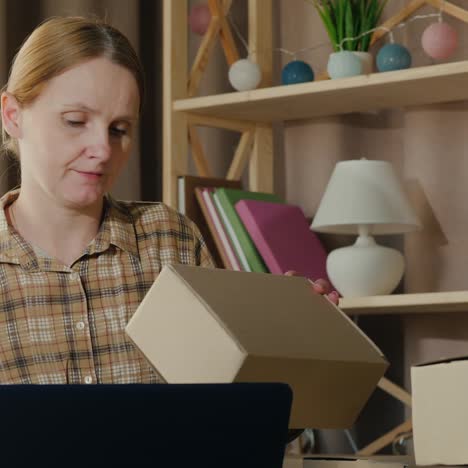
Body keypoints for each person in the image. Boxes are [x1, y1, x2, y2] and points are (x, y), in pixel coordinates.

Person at [0, 16, 338, 385]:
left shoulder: (170, 239)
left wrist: (288, 342)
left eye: (119, 129)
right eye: (76, 121)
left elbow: (226, 414)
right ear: (13, 115)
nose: (102, 149)